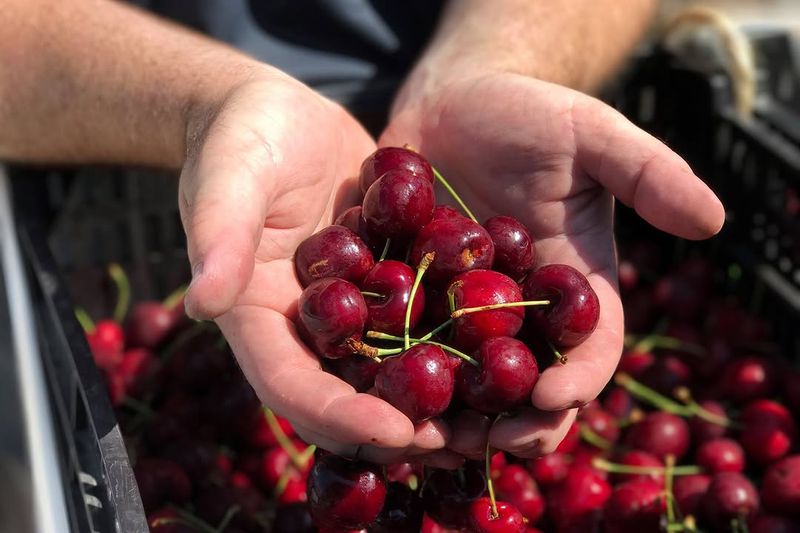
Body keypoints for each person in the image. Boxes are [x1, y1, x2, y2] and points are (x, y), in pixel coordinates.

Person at [0, 0, 724, 467]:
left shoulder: (447, 282)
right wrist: (202, 107)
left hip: (439, 122)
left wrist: (496, 62)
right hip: (141, 146)